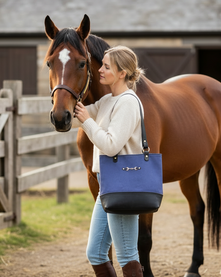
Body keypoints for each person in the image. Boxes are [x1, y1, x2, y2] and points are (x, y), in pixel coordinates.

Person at [74, 45, 145, 277]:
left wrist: (87, 121)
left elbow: (111, 145)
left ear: (122, 73)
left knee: (127, 256)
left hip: (122, 184)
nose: (100, 70)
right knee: (95, 253)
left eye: (106, 66)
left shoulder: (128, 102)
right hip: (108, 186)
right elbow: (75, 118)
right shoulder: (107, 101)